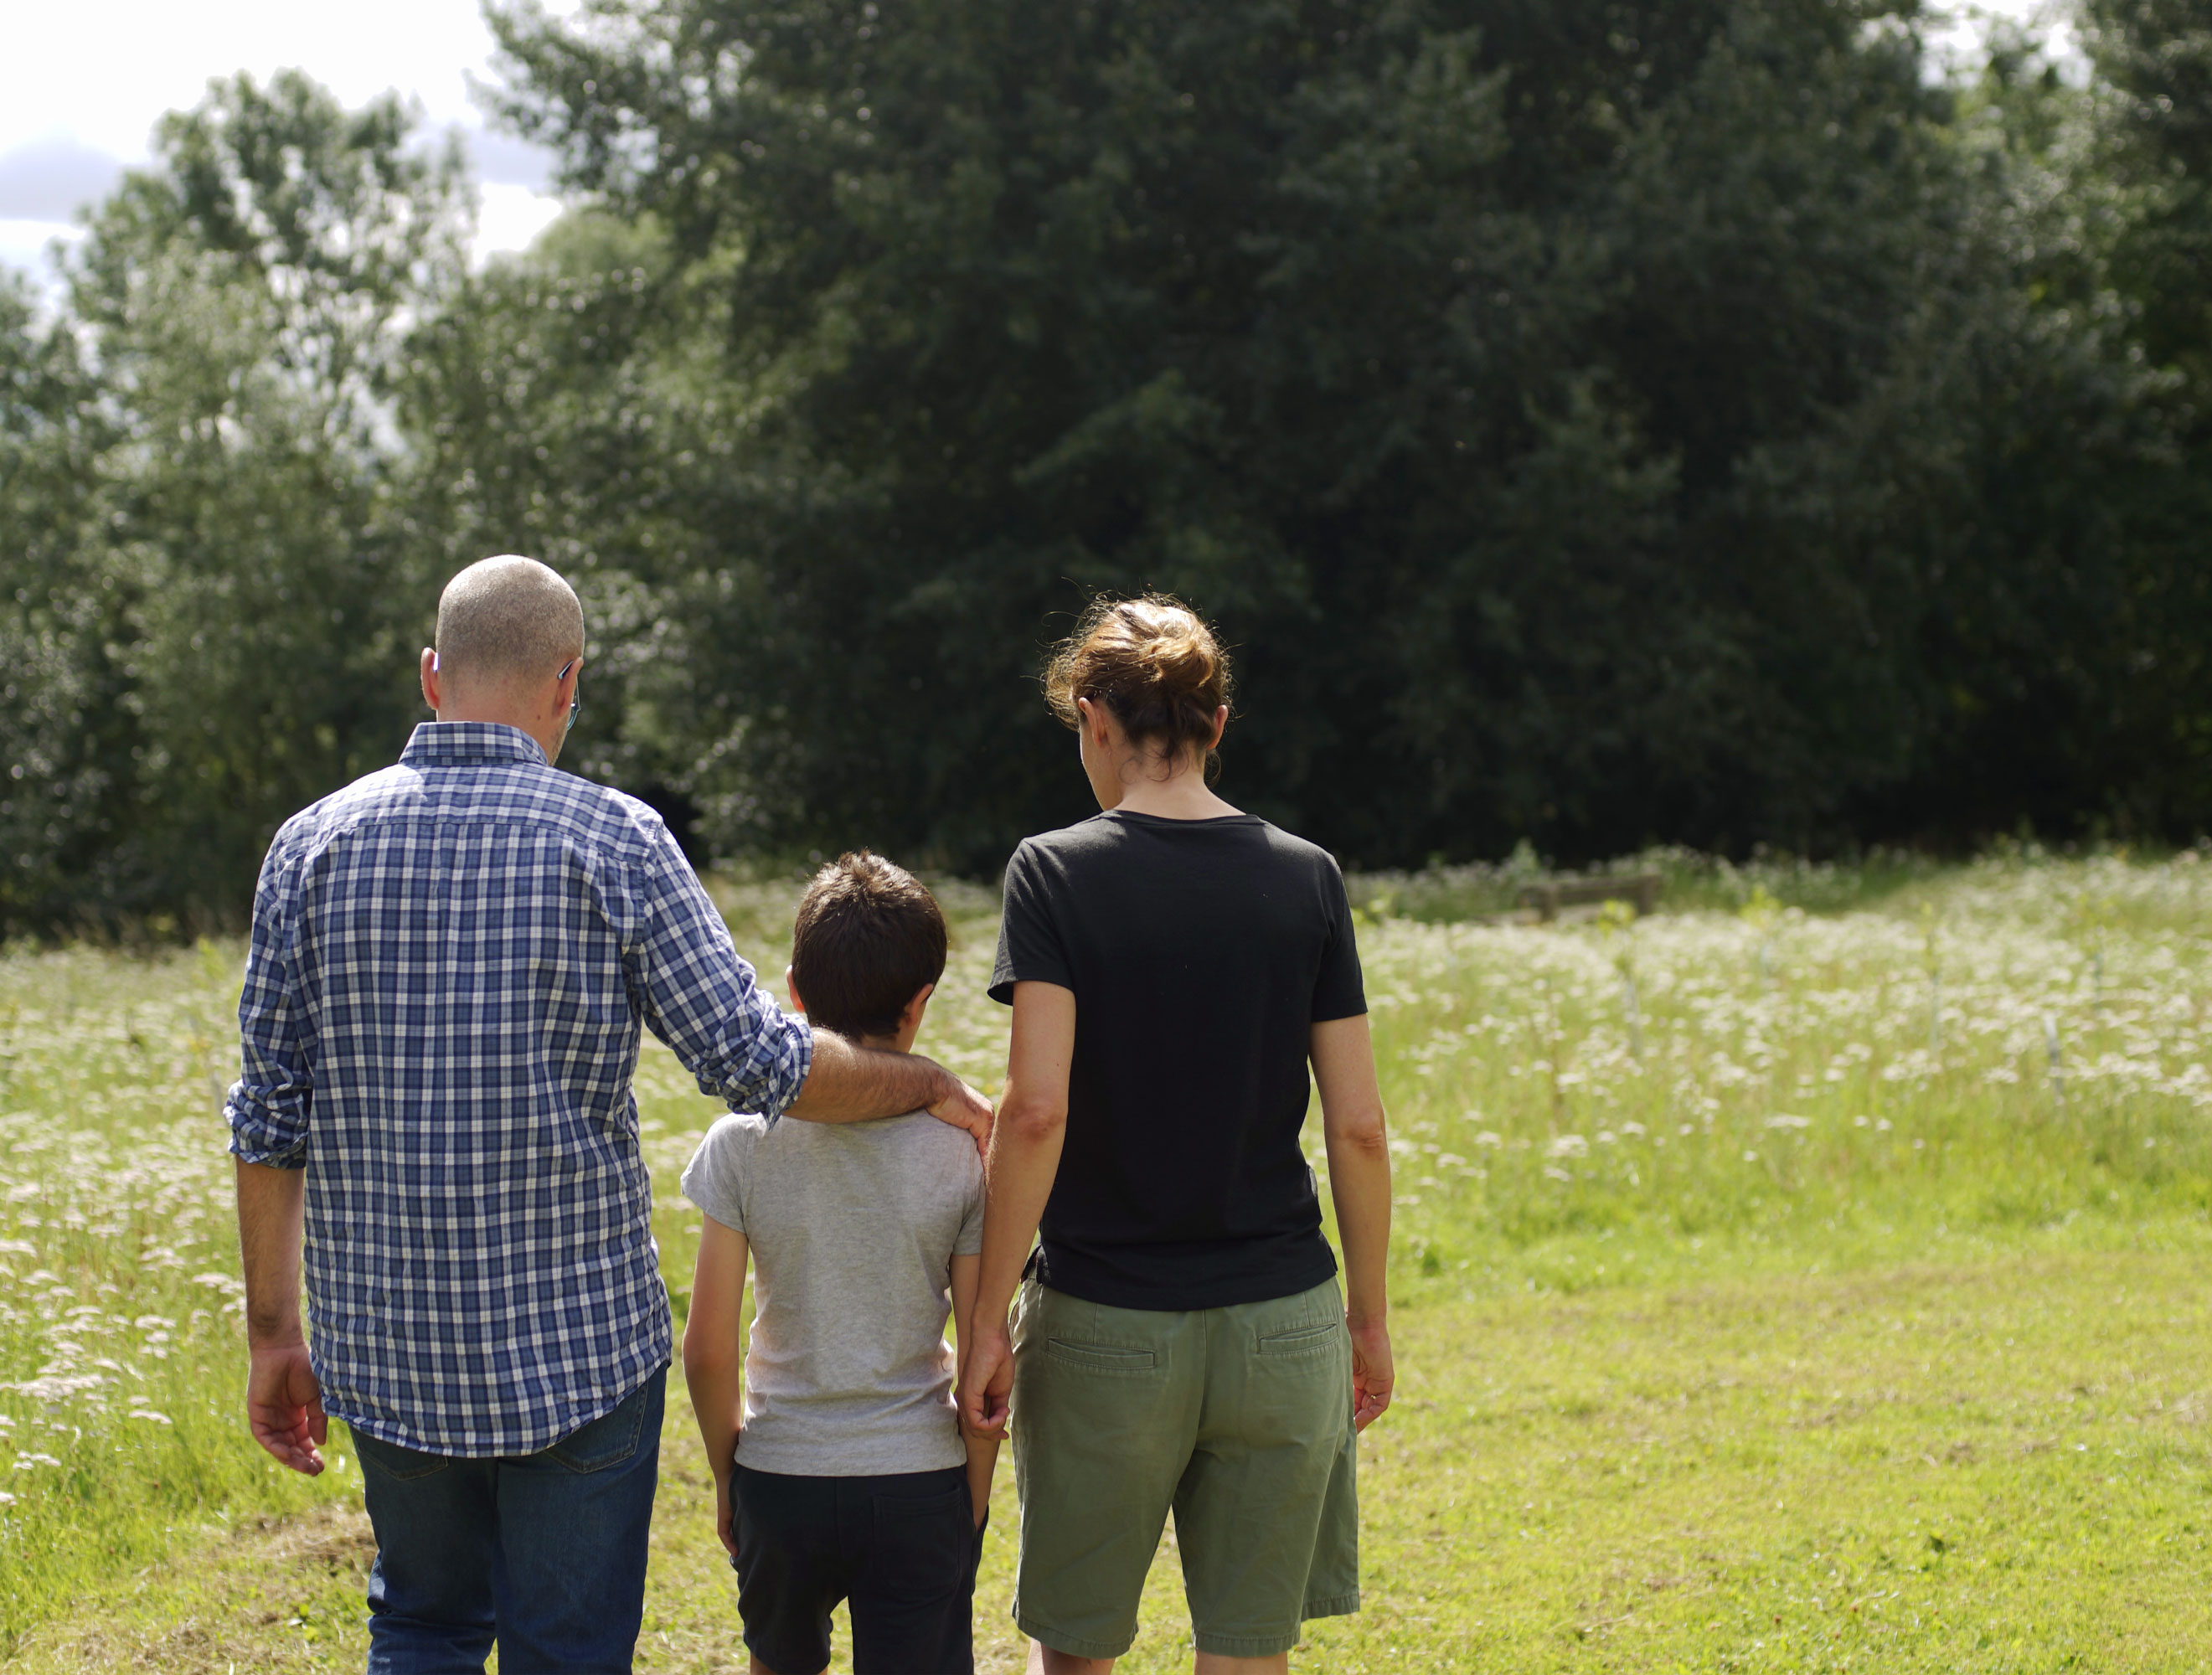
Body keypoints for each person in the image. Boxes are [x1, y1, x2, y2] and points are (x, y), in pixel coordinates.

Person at [224, 555, 994, 1675]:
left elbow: (266, 1120)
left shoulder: (308, 848)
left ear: (432, 676)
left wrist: (274, 1337)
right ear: (566, 682)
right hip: (577, 1352)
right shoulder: (617, 842)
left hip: (384, 1347)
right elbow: (755, 1058)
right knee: (569, 1652)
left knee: (422, 1628)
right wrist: (923, 1083)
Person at [956, 596, 1396, 1675]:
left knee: (1080, 1649)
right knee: (1250, 1653)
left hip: (1108, 1321)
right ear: (1218, 721)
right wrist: (1368, 1318)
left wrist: (985, 1315)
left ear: (1096, 717)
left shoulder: (1053, 870)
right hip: (1285, 1325)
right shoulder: (1308, 875)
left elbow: (1037, 1109)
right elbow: (1359, 1125)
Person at [681, 853, 998, 1675]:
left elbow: (709, 1347)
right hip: (918, 1476)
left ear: (792, 991)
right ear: (922, 1000)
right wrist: (973, 1492)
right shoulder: (962, 1152)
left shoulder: (741, 1141)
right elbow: (981, 1353)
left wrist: (730, 1478)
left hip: (780, 1474)